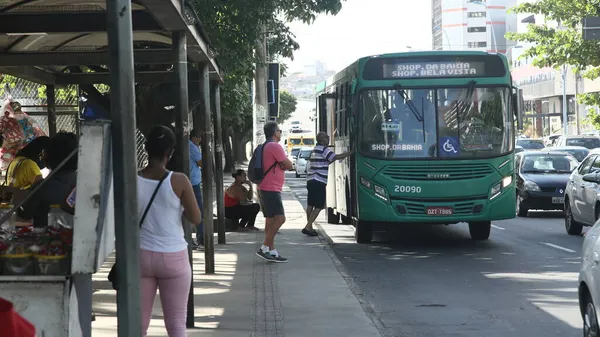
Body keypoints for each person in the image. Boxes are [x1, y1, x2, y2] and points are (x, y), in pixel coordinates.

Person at [138, 125, 202, 337]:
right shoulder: (179, 180)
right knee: (176, 326)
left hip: (140, 256)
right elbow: (196, 218)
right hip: (174, 256)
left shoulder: (131, 179)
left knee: (138, 326)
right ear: (170, 152)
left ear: (146, 149)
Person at [18, 132, 77, 227]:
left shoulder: (42, 187)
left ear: (48, 156)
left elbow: (24, 215)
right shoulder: (86, 183)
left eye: (44, 152)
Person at [256, 121, 293, 263]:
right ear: (274, 132)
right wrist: (283, 165)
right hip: (271, 188)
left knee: (270, 221)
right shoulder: (275, 146)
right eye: (279, 131)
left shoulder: (265, 146)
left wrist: (281, 164)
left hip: (264, 187)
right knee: (280, 219)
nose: (280, 133)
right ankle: (264, 247)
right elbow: (289, 165)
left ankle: (272, 252)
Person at [303, 131, 352, 236]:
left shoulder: (315, 149)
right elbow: (335, 157)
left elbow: (327, 161)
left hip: (310, 180)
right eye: (326, 137)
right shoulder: (324, 149)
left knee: (310, 204)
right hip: (319, 181)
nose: (328, 139)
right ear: (321, 139)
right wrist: (349, 153)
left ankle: (310, 227)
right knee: (319, 206)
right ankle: (308, 226)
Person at [189, 131, 204, 251]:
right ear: (195, 138)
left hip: (192, 181)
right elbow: (201, 162)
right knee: (199, 211)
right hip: (193, 182)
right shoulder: (192, 146)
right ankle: (201, 239)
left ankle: (194, 239)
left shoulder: (188, 145)